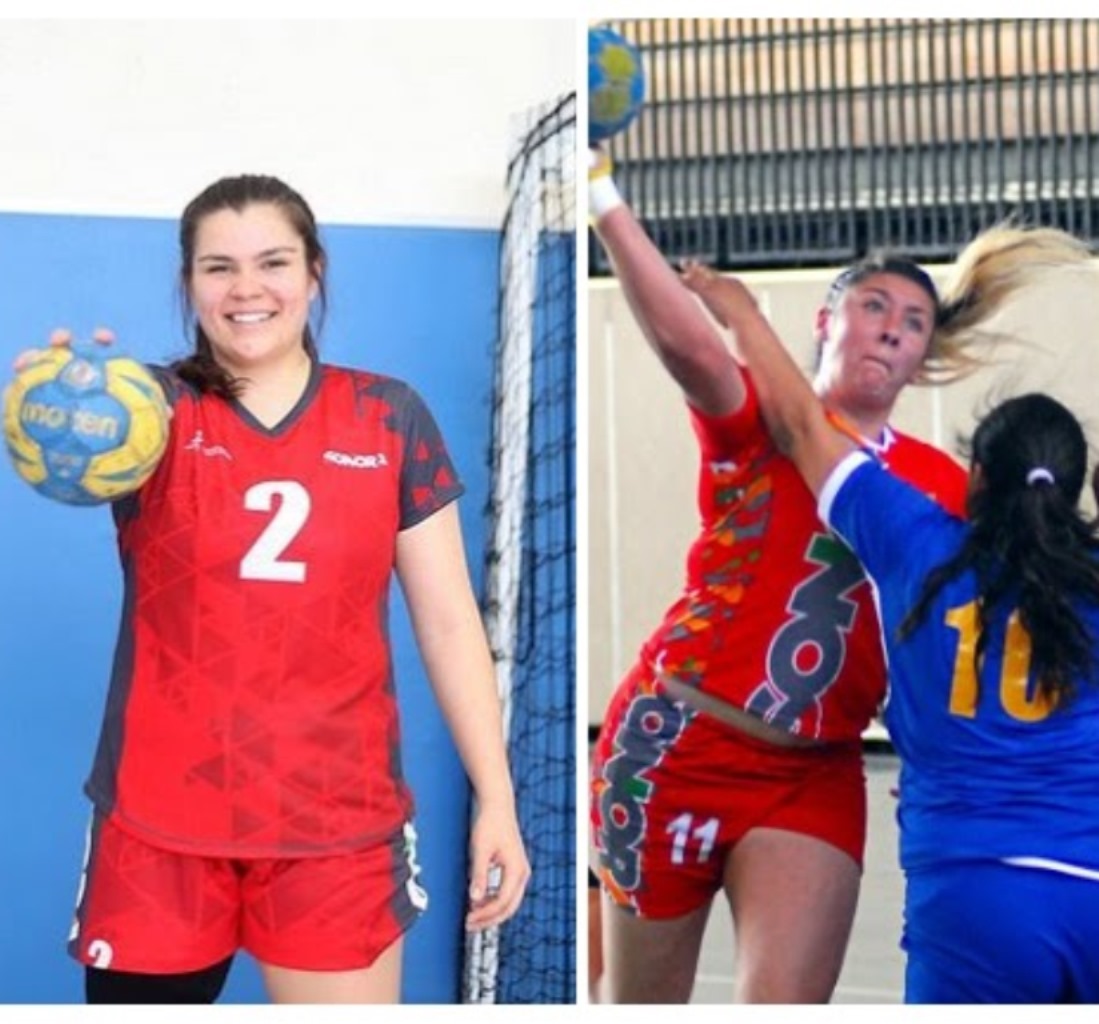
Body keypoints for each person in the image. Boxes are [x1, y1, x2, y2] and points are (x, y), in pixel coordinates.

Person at [16, 174, 529, 1004]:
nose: (246, 288)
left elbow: (447, 623)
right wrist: (49, 403)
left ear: (314, 272)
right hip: (158, 826)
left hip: (336, 827)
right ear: (188, 282)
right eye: (218, 267)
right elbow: (69, 453)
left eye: (273, 262)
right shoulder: (146, 413)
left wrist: (496, 799)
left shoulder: (387, 416)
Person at [587, 149, 971, 1003]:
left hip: (812, 772)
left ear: (920, 358)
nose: (892, 328)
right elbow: (687, 345)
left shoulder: (943, 486)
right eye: (873, 305)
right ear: (826, 321)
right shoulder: (759, 418)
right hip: (677, 741)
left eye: (913, 322)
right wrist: (602, 198)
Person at [681, 231, 1099, 1003]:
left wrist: (740, 313)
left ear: (975, 479)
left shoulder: (915, 540)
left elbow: (801, 425)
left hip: (975, 892)